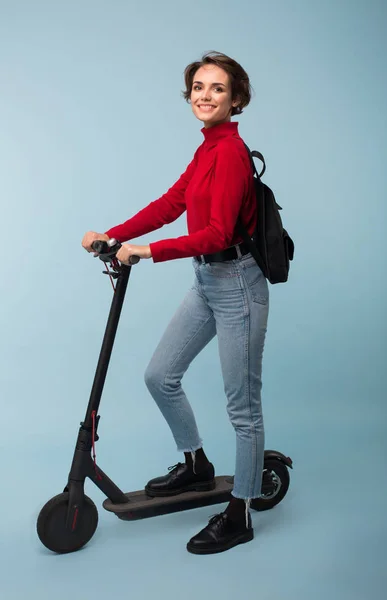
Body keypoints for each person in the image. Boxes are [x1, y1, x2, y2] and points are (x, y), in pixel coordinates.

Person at [81, 51, 269, 555]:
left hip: (238, 287)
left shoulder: (230, 152)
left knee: (242, 408)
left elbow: (217, 234)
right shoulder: (206, 149)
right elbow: (171, 204)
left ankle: (242, 509)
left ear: (236, 99)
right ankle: (196, 465)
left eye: (218, 89)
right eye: (198, 88)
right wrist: (112, 234)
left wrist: (146, 250)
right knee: (159, 376)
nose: (205, 96)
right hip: (207, 283)